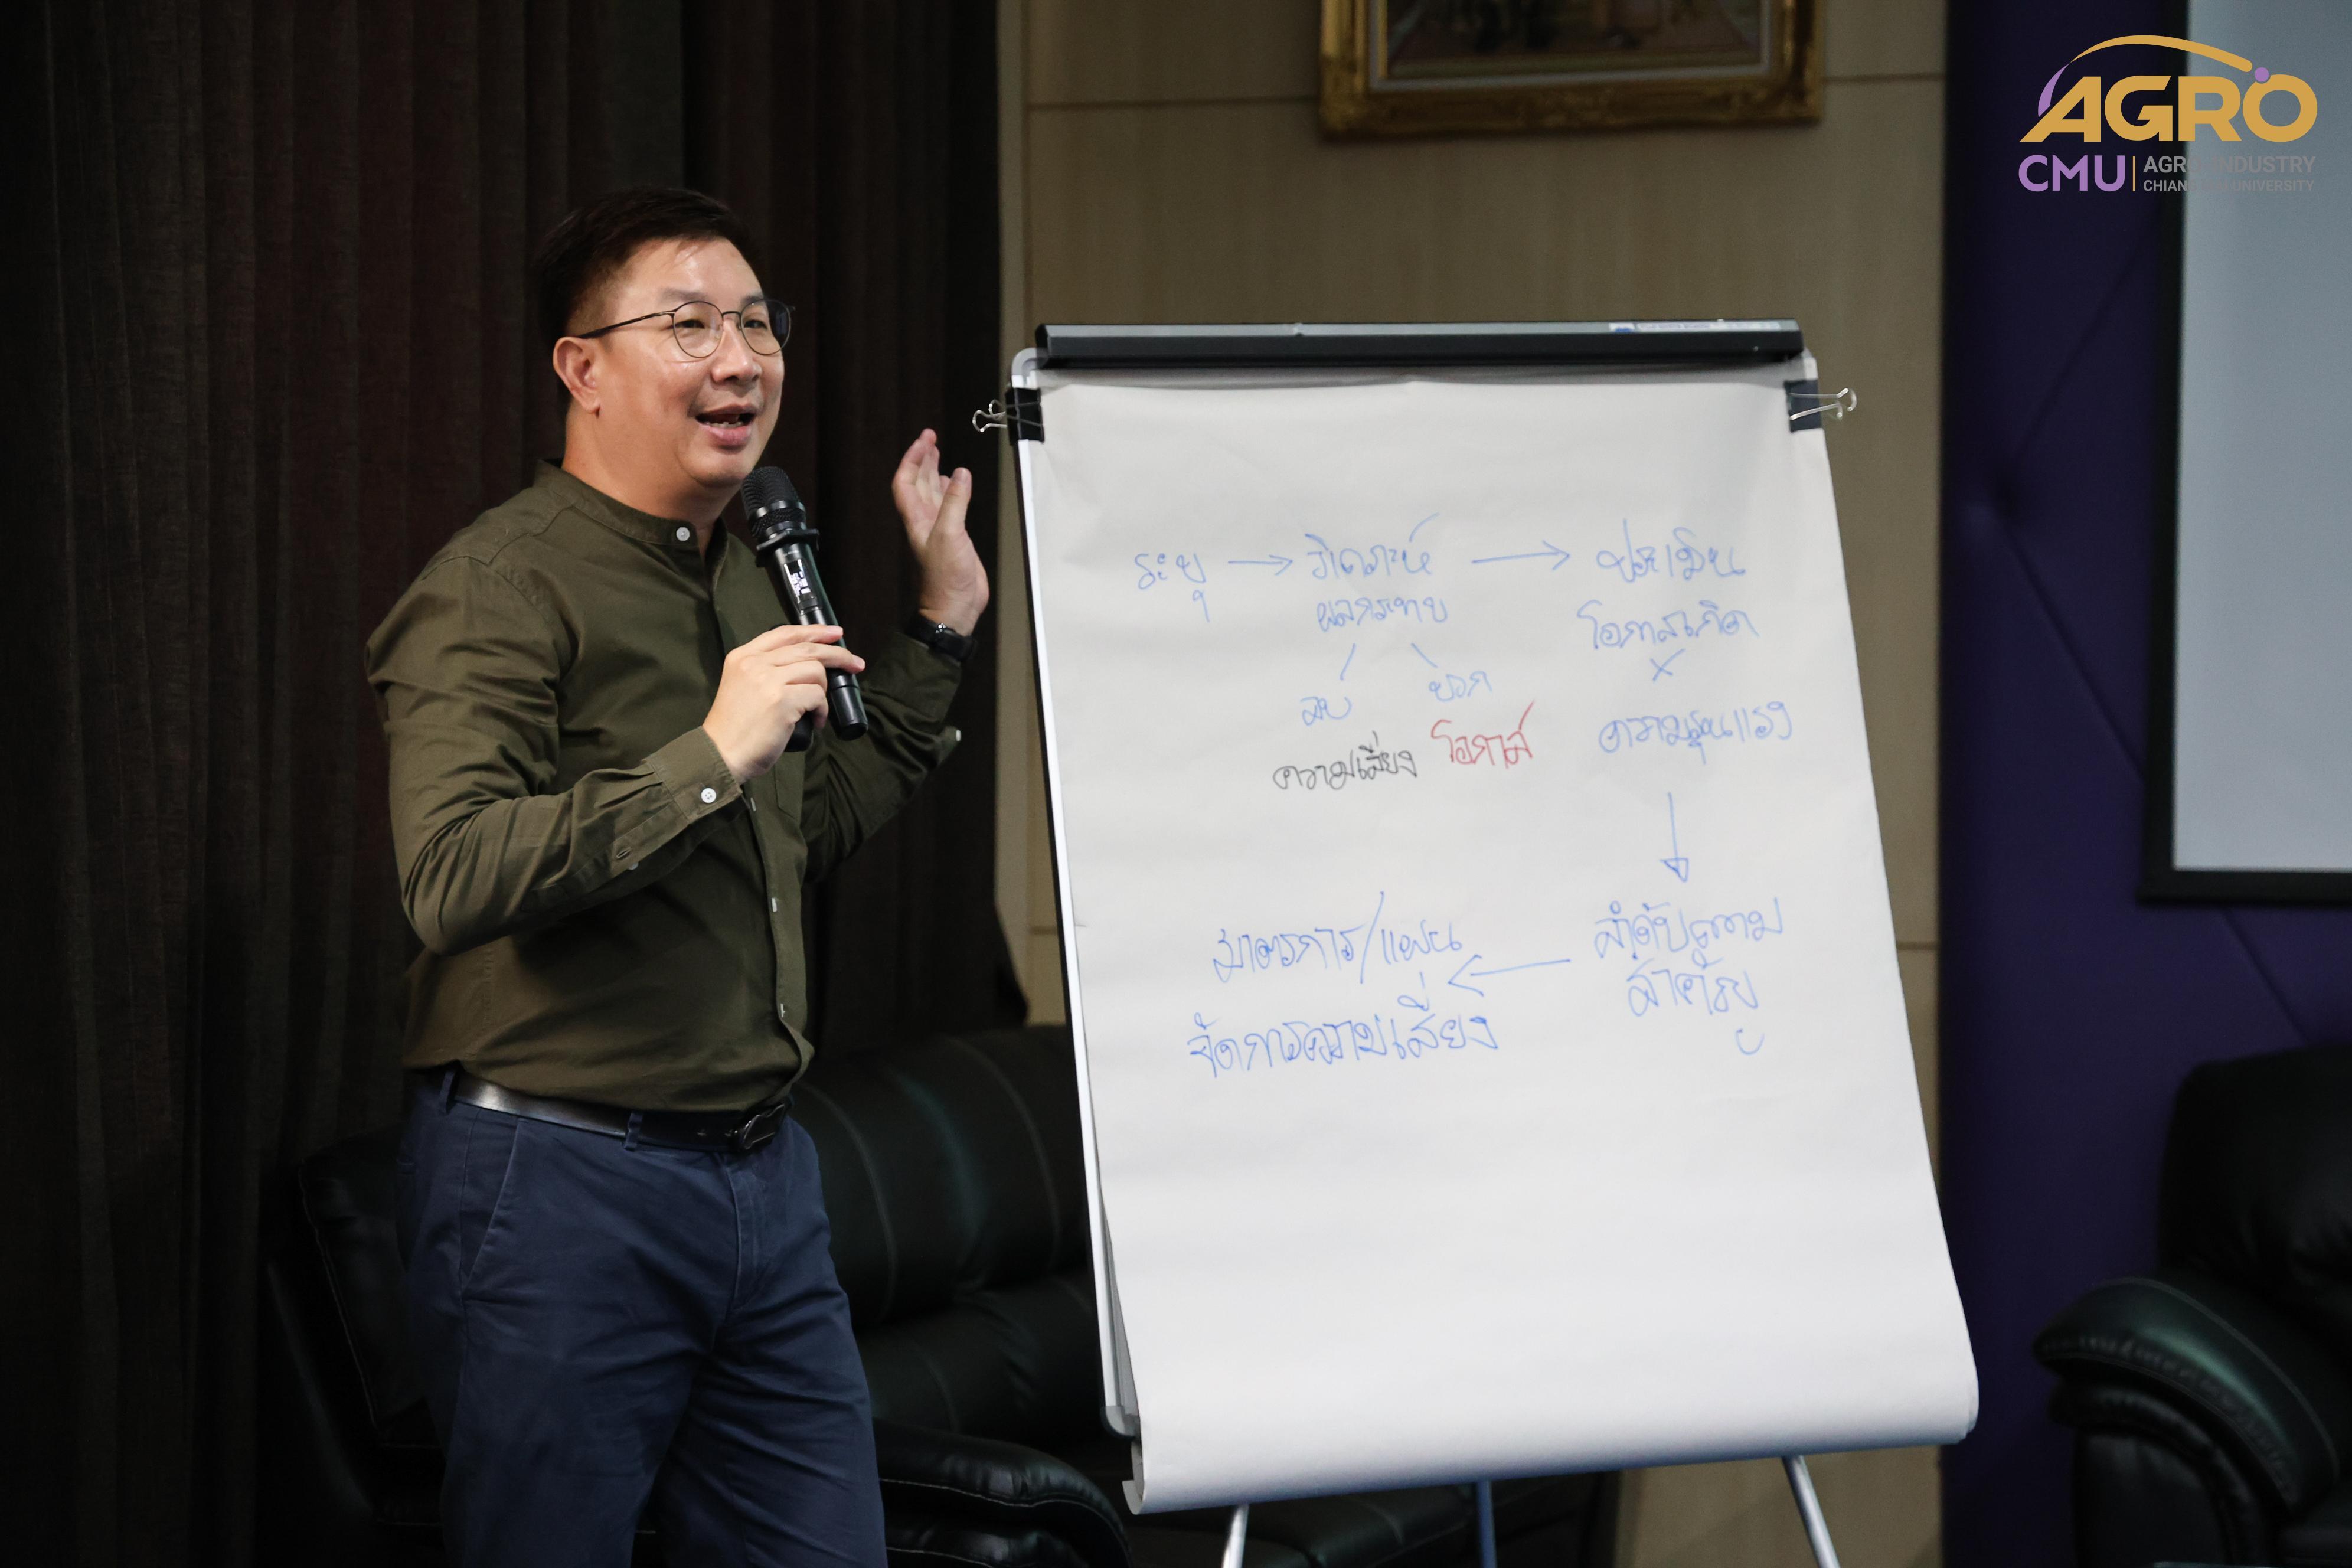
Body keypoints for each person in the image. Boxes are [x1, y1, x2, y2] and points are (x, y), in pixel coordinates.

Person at [363, 185, 989, 1567]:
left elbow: (808, 822)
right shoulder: (498, 587)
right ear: (582, 370)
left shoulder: (749, 572)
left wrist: (942, 625)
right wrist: (711, 754)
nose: (741, 359)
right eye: (691, 325)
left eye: (758, 324)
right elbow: (450, 876)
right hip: (558, 1184)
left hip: (764, 1178)